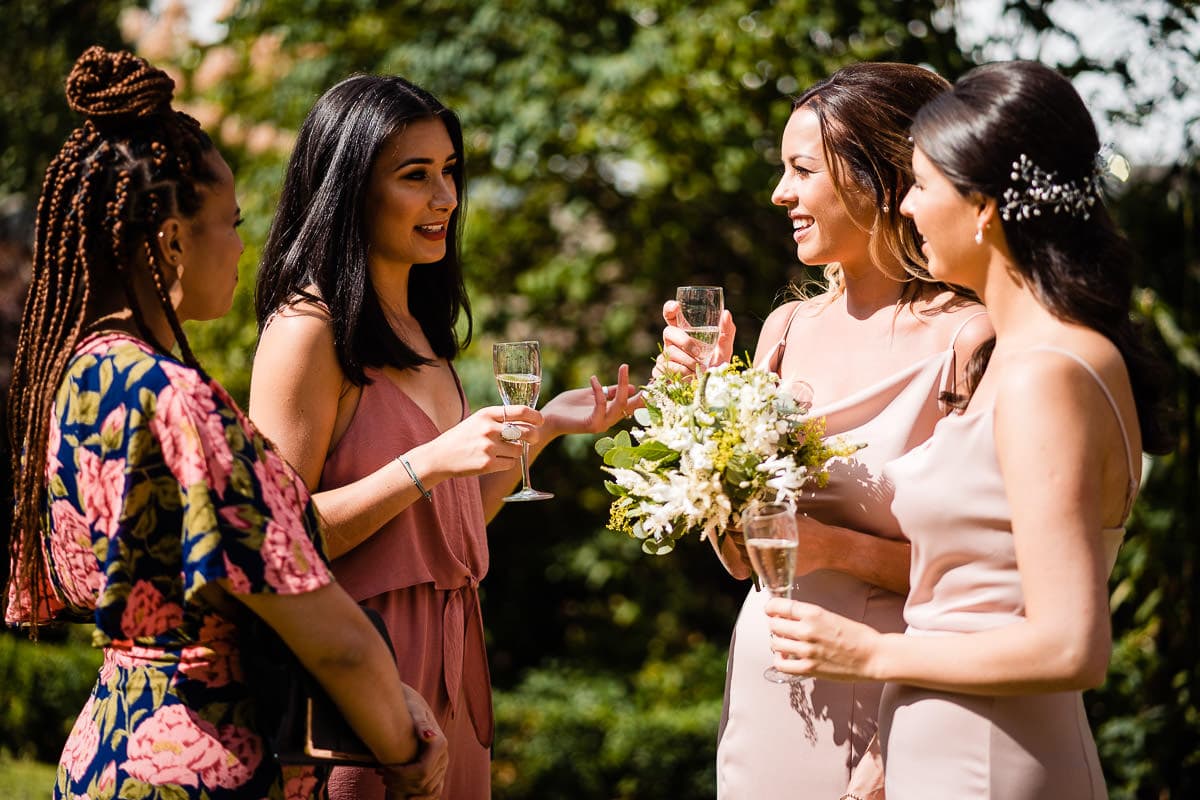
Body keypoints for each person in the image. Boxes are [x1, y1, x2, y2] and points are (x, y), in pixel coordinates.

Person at [1, 47, 449, 800]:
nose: (244, 248)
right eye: (230, 224)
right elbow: (334, 642)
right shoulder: (178, 400)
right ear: (173, 239)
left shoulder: (80, 375)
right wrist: (410, 752)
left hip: (103, 749)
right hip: (205, 766)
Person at [764, 60, 1176, 799]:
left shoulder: (1049, 368)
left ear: (982, 206)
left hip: (994, 761)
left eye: (920, 185)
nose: (908, 207)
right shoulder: (1025, 356)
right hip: (944, 751)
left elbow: (1071, 646)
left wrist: (870, 656)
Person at [248, 74, 634, 800]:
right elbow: (277, 542)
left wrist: (546, 424)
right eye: (416, 176)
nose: (446, 199)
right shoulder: (306, 332)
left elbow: (443, 532)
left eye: (450, 172)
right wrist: (425, 462)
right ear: (352, 186)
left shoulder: (421, 331)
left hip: (455, 661)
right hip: (365, 668)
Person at [657, 63, 992, 799]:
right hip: (768, 689)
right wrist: (703, 414)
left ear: (878, 176)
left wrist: (832, 548)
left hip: (901, 698)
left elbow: (987, 577)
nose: (780, 193)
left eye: (801, 170)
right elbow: (741, 561)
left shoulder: (969, 340)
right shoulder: (783, 331)